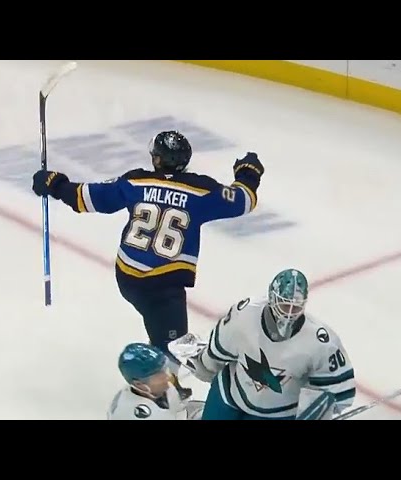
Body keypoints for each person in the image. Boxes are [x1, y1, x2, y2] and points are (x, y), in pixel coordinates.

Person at [32, 130, 264, 399]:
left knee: (166, 336)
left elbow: (87, 197)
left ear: (156, 159)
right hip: (163, 288)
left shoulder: (135, 181)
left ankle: (163, 379)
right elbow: (243, 200)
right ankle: (159, 397)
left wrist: (55, 183)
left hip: (128, 276)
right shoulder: (202, 190)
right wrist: (248, 173)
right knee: (174, 347)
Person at [184, 268, 356, 420]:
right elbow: (217, 351)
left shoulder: (320, 342)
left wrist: (319, 412)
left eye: (294, 307)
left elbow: (340, 393)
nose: (289, 314)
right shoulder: (245, 315)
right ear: (272, 298)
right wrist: (205, 365)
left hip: (277, 413)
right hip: (231, 395)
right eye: (284, 305)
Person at [107, 343, 204, 420]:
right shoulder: (132, 414)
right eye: (158, 375)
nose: (167, 376)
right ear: (139, 384)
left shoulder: (155, 387)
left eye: (164, 369)